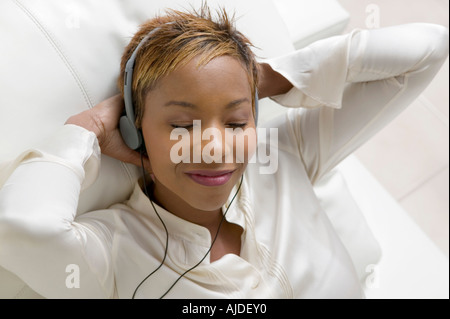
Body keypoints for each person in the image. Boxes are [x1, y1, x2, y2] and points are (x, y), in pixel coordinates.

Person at [0, 5, 448, 299]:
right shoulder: (113, 249)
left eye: (236, 122)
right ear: (135, 132)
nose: (215, 149)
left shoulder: (286, 154)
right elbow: (20, 228)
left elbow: (428, 49)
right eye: (182, 125)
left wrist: (265, 77)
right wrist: (89, 129)